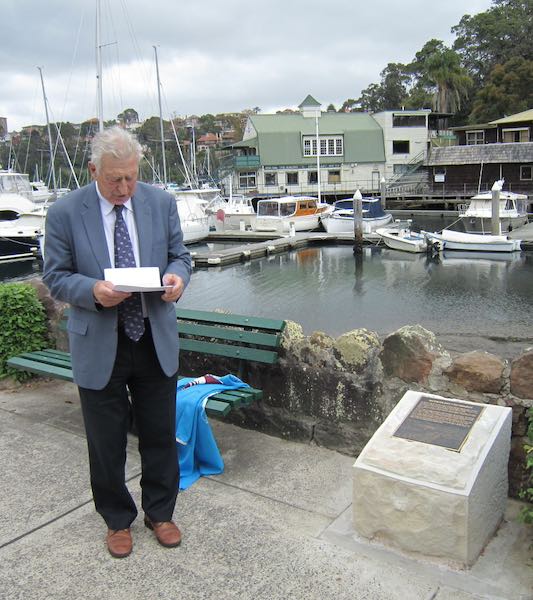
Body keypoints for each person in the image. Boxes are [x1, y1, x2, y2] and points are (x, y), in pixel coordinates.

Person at [43, 126, 192, 559]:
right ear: (94, 170)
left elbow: (181, 255)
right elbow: (55, 276)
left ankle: (160, 513)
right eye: (114, 179)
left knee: (160, 436)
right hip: (99, 341)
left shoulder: (160, 202)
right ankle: (116, 520)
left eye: (130, 176)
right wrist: (93, 291)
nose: (124, 187)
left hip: (152, 336)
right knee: (105, 442)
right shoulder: (65, 212)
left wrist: (178, 278)